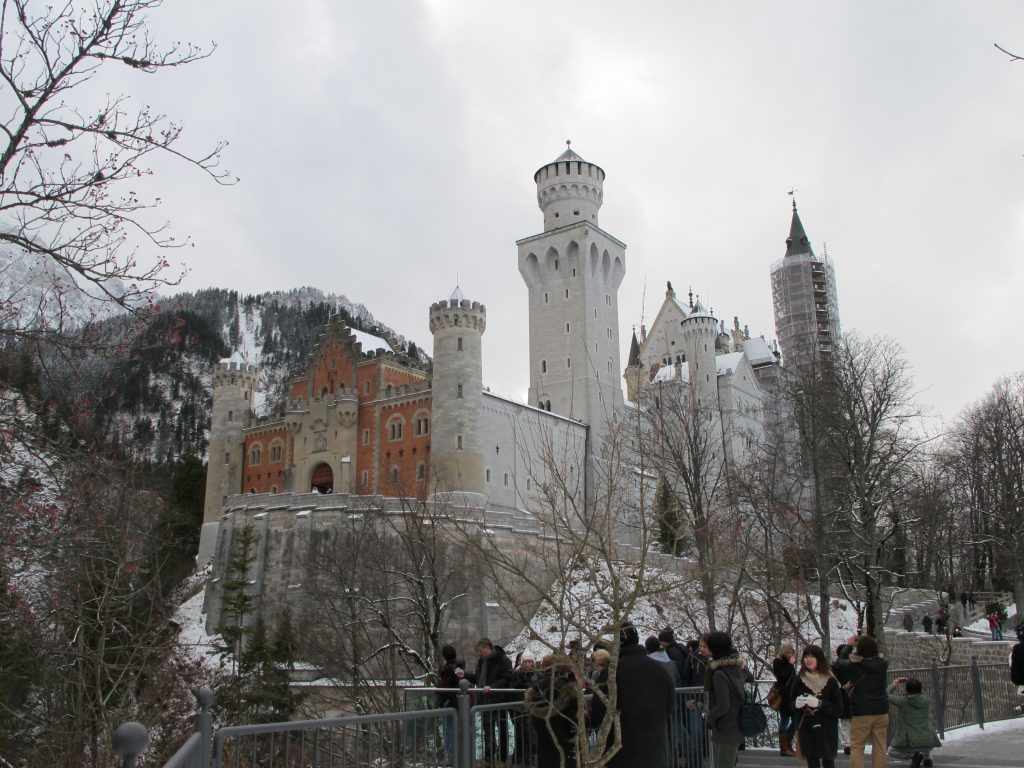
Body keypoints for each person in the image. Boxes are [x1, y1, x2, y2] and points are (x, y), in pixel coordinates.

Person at [590, 621, 675, 767]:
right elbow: (669, 706)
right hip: (655, 750)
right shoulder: (660, 670)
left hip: (622, 753)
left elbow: (598, 714)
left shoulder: (611, 674)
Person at [834, 635, 889, 768]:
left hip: (861, 711)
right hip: (881, 710)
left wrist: (848, 645)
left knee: (857, 747)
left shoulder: (855, 666)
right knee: (880, 747)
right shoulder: (883, 664)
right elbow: (879, 655)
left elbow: (839, 663)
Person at [457, 637, 513, 765]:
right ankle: (489, 757)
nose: (479, 653)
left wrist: (493, 687)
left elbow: (507, 678)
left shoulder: (503, 660)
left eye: (481, 650)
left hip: (499, 701)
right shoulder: (482, 662)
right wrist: (464, 675)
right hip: (484, 701)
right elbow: (478, 679)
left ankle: (502, 758)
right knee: (487, 730)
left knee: (502, 729)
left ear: (488, 648)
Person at [789, 645, 843, 768]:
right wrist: (796, 704)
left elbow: (839, 708)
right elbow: (790, 704)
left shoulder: (830, 680)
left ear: (819, 658)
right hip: (807, 727)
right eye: (806, 656)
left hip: (827, 727)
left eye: (812, 656)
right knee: (812, 762)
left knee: (828, 762)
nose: (808, 659)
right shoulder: (799, 679)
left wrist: (820, 704)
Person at [524, 654, 582, 768]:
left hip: (544, 744)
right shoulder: (566, 689)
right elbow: (574, 720)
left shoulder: (537, 688)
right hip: (565, 744)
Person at [704, 630, 747, 768]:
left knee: (723, 763)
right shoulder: (737, 668)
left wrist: (710, 716)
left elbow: (723, 705)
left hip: (725, 727)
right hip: (737, 724)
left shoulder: (720, 674)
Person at [887, 677, 941, 767]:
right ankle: (927, 758)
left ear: (907, 690)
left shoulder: (902, 701)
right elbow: (921, 692)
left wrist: (893, 685)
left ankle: (915, 756)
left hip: (910, 744)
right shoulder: (926, 699)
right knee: (924, 740)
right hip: (928, 743)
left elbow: (886, 695)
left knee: (891, 751)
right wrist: (913, 683)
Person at [436, 644, 464, 758]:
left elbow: (447, 686)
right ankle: (455, 751)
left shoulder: (448, 670)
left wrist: (440, 692)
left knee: (448, 727)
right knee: (454, 727)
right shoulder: (458, 667)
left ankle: (450, 752)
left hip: (450, 702)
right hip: (457, 702)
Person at [772, 643, 798, 756]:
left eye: (792, 653)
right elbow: (783, 676)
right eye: (789, 653)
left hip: (793, 696)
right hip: (784, 696)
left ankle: (788, 744)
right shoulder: (778, 662)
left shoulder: (789, 664)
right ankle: (784, 748)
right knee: (785, 719)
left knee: (795, 720)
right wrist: (790, 665)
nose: (790, 655)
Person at [832, 640, 854, 756]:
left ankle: (847, 744)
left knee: (845, 722)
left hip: (841, 696)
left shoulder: (835, 667)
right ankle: (853, 743)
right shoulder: (851, 665)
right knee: (853, 721)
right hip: (853, 696)